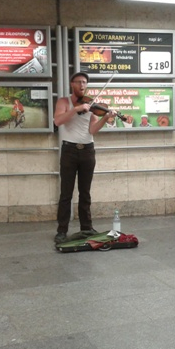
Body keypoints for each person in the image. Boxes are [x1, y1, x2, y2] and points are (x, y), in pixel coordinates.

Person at [53, 72, 117, 243]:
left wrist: (105, 118)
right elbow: (58, 121)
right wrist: (75, 109)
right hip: (69, 150)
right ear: (72, 84)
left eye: (85, 82)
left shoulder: (91, 103)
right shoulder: (64, 102)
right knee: (66, 193)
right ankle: (62, 230)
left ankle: (87, 227)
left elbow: (92, 130)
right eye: (79, 82)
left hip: (87, 150)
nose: (82, 85)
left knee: (85, 192)